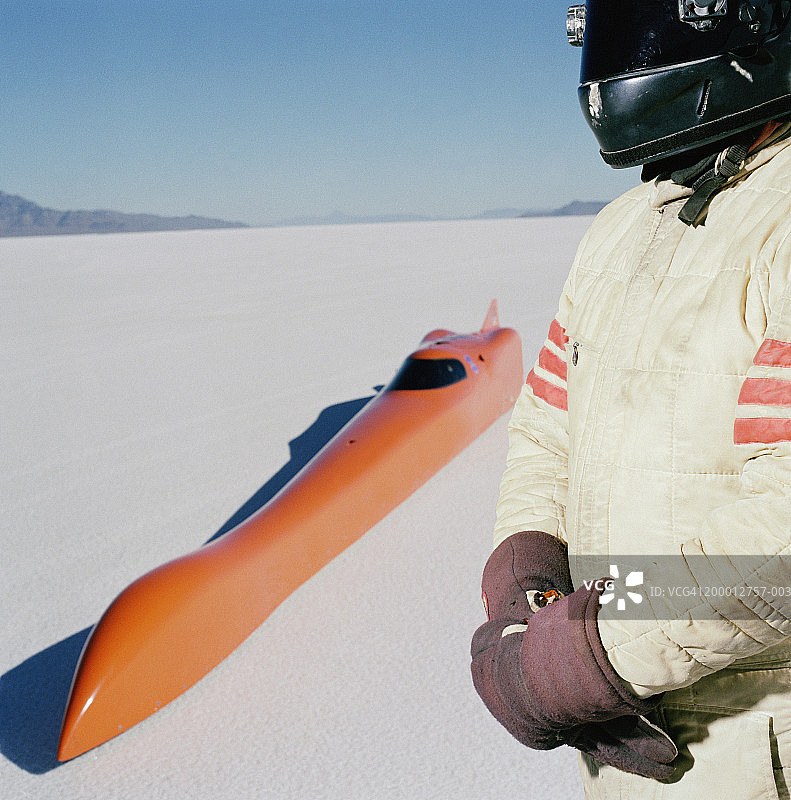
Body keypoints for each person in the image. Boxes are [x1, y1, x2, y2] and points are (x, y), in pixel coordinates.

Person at [471, 1, 791, 797]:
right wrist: (528, 571)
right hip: (623, 737)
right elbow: (548, 425)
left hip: (757, 744)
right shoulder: (623, 227)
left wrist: (584, 650)